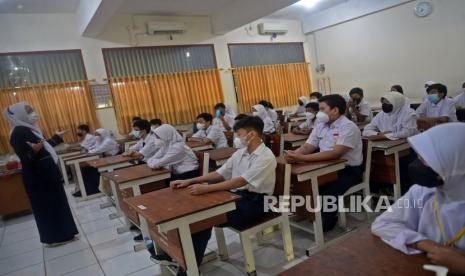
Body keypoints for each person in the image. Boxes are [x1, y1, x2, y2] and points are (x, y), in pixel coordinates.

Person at [155, 116, 277, 276]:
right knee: (193, 212)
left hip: (255, 203)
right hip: (236, 196)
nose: (237, 138)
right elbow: (220, 174)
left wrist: (206, 189)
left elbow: (240, 181)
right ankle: (182, 258)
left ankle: (189, 268)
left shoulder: (266, 157)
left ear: (252, 134)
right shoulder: (240, 153)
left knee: (203, 218)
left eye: (239, 134)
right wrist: (190, 180)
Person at [372, 123, 465, 274]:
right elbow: (383, 224)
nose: (418, 164)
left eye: (427, 159)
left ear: (455, 162)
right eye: (420, 157)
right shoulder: (423, 191)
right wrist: (427, 245)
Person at [3, 102, 78, 246]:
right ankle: (55, 237)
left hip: (46, 176)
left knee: (58, 205)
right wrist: (33, 151)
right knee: (48, 208)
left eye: (32, 110)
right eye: (29, 111)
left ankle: (66, 234)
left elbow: (43, 147)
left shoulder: (29, 129)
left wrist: (55, 137)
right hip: (39, 179)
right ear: (19, 115)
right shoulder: (18, 133)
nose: (33, 113)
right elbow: (26, 158)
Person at [285, 94, 363, 231]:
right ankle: (307, 213)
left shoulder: (348, 127)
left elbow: (336, 153)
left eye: (322, 109)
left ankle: (328, 221)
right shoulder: (320, 125)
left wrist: (302, 159)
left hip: (348, 170)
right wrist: (295, 154)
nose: (318, 113)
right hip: (324, 165)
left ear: (335, 110)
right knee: (300, 183)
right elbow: (308, 146)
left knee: (326, 190)